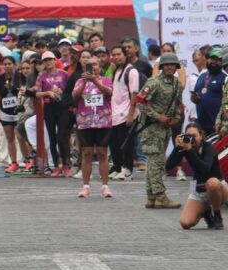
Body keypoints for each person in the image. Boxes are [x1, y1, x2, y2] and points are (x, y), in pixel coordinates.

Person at [138, 52, 183, 209]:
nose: (170, 67)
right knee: (156, 162)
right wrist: (158, 117)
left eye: (173, 64)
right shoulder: (154, 82)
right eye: (167, 64)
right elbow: (140, 102)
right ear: (162, 66)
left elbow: (178, 102)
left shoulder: (177, 83)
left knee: (154, 162)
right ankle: (161, 196)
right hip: (152, 128)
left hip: (166, 128)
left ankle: (151, 196)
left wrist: (176, 117)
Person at [169, 123, 227, 229]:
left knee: (212, 183)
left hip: (218, 187)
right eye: (188, 136)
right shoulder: (185, 147)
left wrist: (190, 150)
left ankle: (217, 216)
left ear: (201, 135)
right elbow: (168, 167)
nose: (191, 139)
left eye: (194, 136)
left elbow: (205, 169)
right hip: (197, 186)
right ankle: (206, 213)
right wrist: (176, 148)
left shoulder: (208, 147)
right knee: (185, 223)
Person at [72, 57, 114, 198]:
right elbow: (74, 96)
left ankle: (105, 186)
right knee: (87, 153)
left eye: (95, 64)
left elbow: (109, 93)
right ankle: (85, 187)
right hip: (85, 122)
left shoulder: (106, 79)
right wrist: (85, 82)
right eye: (89, 65)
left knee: (102, 153)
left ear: (100, 66)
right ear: (85, 68)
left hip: (103, 121)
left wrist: (95, 80)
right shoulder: (80, 81)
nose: (92, 67)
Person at [35, 51, 71, 176]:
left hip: (62, 107)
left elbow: (70, 90)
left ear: (55, 60)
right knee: (52, 137)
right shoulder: (41, 75)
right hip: (49, 107)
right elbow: (37, 92)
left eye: (50, 59)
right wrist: (48, 93)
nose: (48, 62)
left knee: (62, 136)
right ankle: (56, 165)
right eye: (45, 60)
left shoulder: (64, 74)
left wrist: (61, 91)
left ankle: (66, 164)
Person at [109, 46, 139, 181]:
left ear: (125, 55)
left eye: (119, 54)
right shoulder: (116, 70)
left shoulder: (131, 71)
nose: (116, 57)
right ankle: (118, 167)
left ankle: (128, 170)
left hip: (126, 113)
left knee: (126, 143)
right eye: (114, 55)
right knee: (114, 143)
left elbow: (134, 93)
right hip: (115, 114)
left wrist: (131, 114)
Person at [0, 56, 22, 173]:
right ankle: (13, 163)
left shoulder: (20, 77)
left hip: (19, 111)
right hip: (5, 112)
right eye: (5, 64)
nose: (7, 66)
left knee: (21, 137)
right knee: (10, 138)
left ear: (14, 65)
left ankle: (28, 161)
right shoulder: (0, 79)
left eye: (9, 63)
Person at [191, 48, 226, 135]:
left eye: (218, 59)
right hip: (200, 123)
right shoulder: (201, 76)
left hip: (217, 125)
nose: (214, 61)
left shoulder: (225, 78)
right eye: (212, 58)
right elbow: (195, 96)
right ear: (208, 59)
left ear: (222, 62)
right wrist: (194, 98)